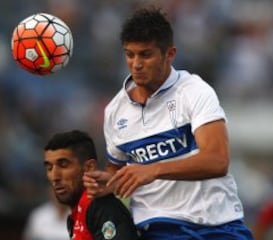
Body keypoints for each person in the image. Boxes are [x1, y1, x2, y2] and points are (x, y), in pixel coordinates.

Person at [83, 6, 253, 239]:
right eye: (129, 54)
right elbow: (118, 172)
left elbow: (217, 160)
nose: (136, 64)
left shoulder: (194, 91)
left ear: (169, 54)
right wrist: (109, 183)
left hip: (219, 225)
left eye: (145, 54)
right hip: (160, 228)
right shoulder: (115, 111)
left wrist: (152, 170)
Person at [43, 130, 139, 240]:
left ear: (89, 167)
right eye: (49, 168)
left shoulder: (102, 208)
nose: (55, 176)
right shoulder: (76, 215)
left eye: (64, 165)